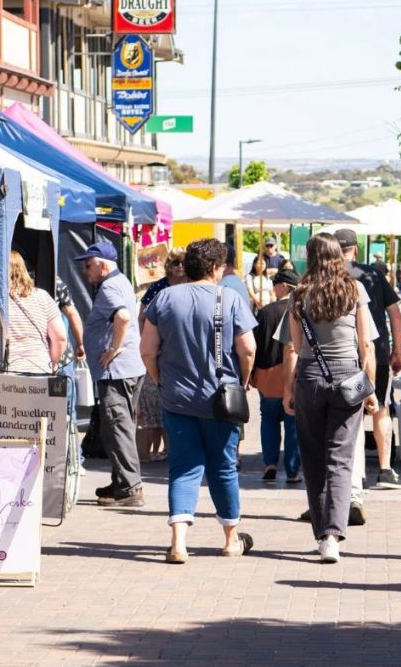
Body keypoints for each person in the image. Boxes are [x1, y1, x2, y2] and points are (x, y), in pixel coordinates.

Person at [139, 237, 257, 562]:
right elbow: (248, 348)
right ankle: (232, 539)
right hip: (221, 400)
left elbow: (147, 349)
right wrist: (243, 381)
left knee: (182, 468)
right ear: (216, 268)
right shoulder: (229, 299)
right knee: (223, 468)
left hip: (176, 398)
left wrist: (160, 378)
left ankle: (178, 542)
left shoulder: (163, 298)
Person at [282, 233, 378, 562]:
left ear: (310, 257)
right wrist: (371, 390)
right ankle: (335, 535)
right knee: (341, 459)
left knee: (312, 458)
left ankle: (323, 532)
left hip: (310, 377)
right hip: (348, 377)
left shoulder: (298, 294)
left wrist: (287, 389)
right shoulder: (354, 290)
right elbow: (366, 346)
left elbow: (294, 348)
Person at [335, 228, 401, 495]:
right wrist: (398, 350)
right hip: (374, 354)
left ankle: (353, 473)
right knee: (381, 408)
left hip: (341, 356)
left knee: (347, 413)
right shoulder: (373, 274)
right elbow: (396, 315)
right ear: (355, 249)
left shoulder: (326, 276)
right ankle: (385, 469)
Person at [77, 240, 145, 508]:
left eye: (89, 265)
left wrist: (114, 348)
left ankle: (129, 488)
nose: (85, 271)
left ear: (103, 265)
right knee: (119, 426)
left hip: (118, 371)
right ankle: (121, 481)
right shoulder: (121, 281)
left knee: (117, 428)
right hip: (126, 369)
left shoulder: (108, 288)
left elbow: (125, 317)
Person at [0, 252, 67, 374]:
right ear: (23, 269)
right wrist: (51, 365)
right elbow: (60, 338)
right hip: (37, 374)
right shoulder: (43, 297)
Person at [136, 249, 186, 463]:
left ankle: (171, 447)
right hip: (159, 351)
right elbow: (142, 316)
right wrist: (148, 339)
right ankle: (153, 451)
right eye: (175, 263)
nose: (179, 267)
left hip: (182, 350)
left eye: (182, 263)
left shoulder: (191, 286)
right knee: (157, 401)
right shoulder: (159, 287)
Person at [254, 268, 301, 485]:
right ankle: (292, 471)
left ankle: (270, 463)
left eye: (274, 284)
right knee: (293, 423)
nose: (272, 288)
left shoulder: (266, 312)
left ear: (283, 286)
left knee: (269, 420)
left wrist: (251, 375)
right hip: (293, 374)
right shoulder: (301, 310)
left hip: (267, 375)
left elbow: (254, 346)